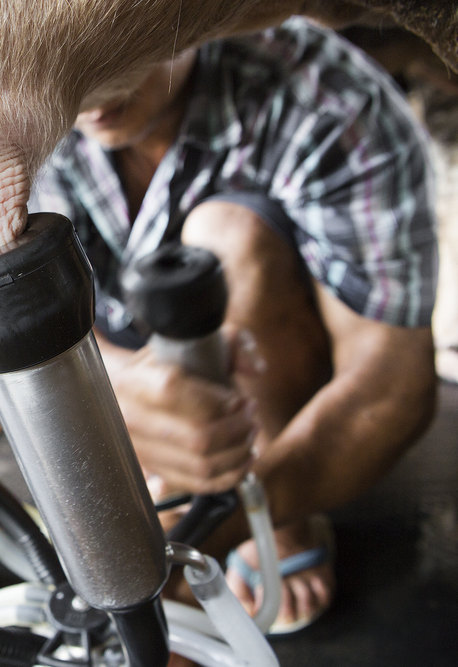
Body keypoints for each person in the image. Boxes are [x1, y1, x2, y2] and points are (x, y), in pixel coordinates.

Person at [28, 17, 438, 634]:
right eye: (69, 69)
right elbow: (34, 317)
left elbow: (391, 382)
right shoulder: (31, 103)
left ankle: (277, 504)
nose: (88, 98)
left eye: (116, 56)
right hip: (126, 339)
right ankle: (171, 478)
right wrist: (116, 390)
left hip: (279, 361)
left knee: (228, 237)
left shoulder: (322, 98)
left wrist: (228, 521)